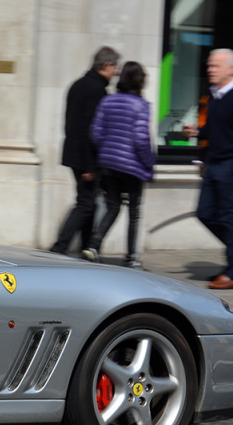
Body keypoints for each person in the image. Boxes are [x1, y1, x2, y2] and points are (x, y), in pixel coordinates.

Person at [183, 48, 233, 289]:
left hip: (231, 166)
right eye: (209, 65)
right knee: (204, 213)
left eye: (215, 66)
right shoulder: (216, 96)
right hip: (214, 164)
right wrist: (198, 132)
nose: (210, 69)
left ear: (232, 69)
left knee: (227, 215)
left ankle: (232, 272)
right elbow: (217, 130)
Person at [83, 61, 155, 268]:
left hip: (108, 164)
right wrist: (148, 164)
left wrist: (107, 151)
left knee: (112, 206)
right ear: (139, 81)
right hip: (132, 167)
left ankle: (94, 245)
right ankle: (132, 256)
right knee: (134, 211)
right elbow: (141, 140)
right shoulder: (141, 105)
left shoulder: (108, 101)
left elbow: (95, 132)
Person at [50, 46, 120, 255]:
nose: (116, 73)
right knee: (86, 203)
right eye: (115, 67)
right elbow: (89, 129)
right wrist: (91, 165)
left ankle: (87, 249)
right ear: (107, 65)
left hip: (74, 152)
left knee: (89, 204)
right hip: (84, 156)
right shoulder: (96, 90)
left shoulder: (78, 84)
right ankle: (59, 248)